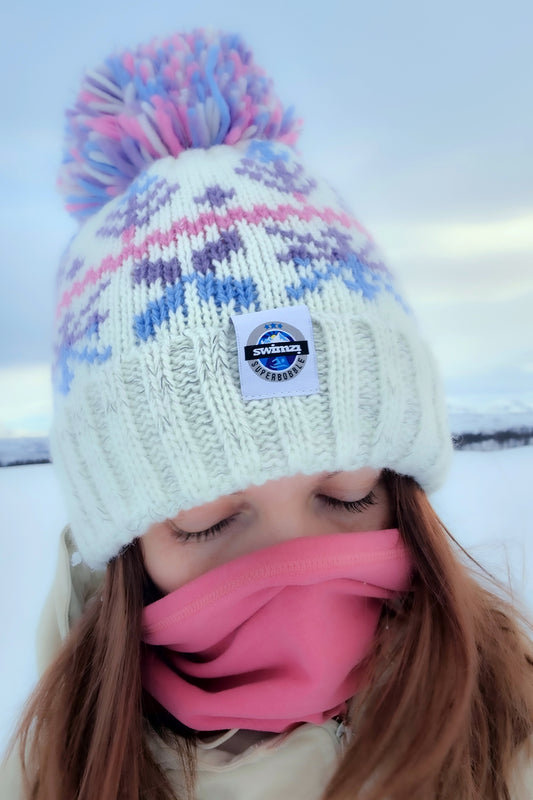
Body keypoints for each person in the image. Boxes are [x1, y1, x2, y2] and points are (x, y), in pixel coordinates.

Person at [1, 28, 532, 800]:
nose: (298, 562)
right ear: (124, 550)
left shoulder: (509, 726)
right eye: (206, 519)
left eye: (348, 492)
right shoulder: (56, 775)